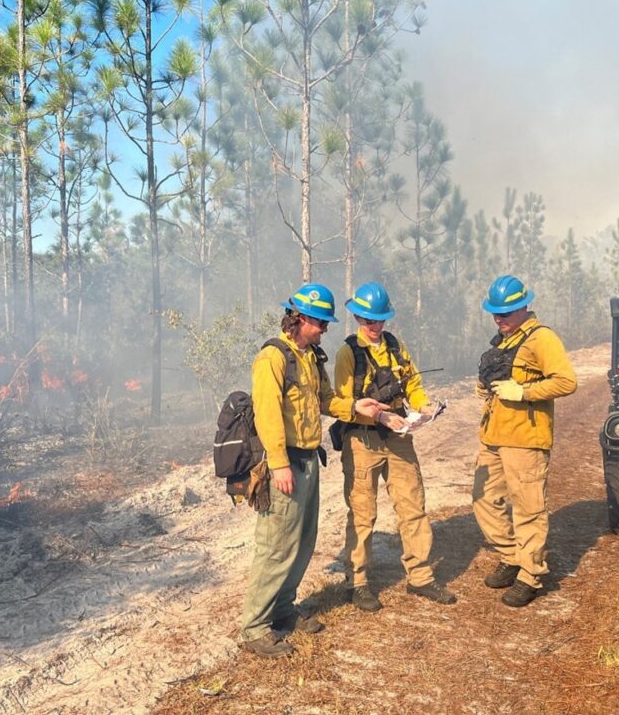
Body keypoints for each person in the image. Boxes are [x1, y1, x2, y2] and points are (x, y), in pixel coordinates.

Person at [239, 282, 391, 658]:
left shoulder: (310, 356)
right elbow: (268, 414)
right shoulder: (273, 358)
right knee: (276, 546)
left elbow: (325, 400)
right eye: (320, 323)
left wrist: (360, 408)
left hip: (308, 460)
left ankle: (284, 611)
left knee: (302, 541)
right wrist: (277, 464)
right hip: (284, 463)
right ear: (300, 317)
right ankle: (256, 627)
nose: (325, 329)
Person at [334, 281, 456, 612]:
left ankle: (420, 577)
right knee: (363, 513)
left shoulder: (395, 345)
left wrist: (423, 407)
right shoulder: (348, 353)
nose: (375, 326)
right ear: (358, 317)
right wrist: (380, 418)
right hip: (363, 440)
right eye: (368, 320)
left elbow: (413, 383)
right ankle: (357, 582)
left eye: (380, 320)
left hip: (400, 436)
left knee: (412, 506)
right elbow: (343, 401)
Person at [474, 275, 577, 607]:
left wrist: (525, 392)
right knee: (484, 499)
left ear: (523, 307)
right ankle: (512, 556)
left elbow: (566, 381)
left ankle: (531, 574)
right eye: (494, 313)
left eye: (505, 313)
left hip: (525, 439)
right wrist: (485, 389)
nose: (498, 319)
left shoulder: (541, 338)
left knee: (528, 507)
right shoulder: (502, 341)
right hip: (493, 435)